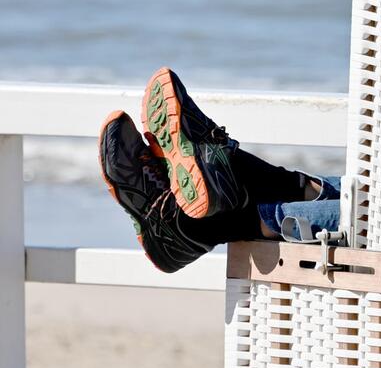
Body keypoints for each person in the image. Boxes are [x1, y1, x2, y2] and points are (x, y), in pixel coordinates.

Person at [98, 67, 341, 273]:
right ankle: (214, 189)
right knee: (360, 195)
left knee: (365, 205)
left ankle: (189, 224)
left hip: (368, 229)